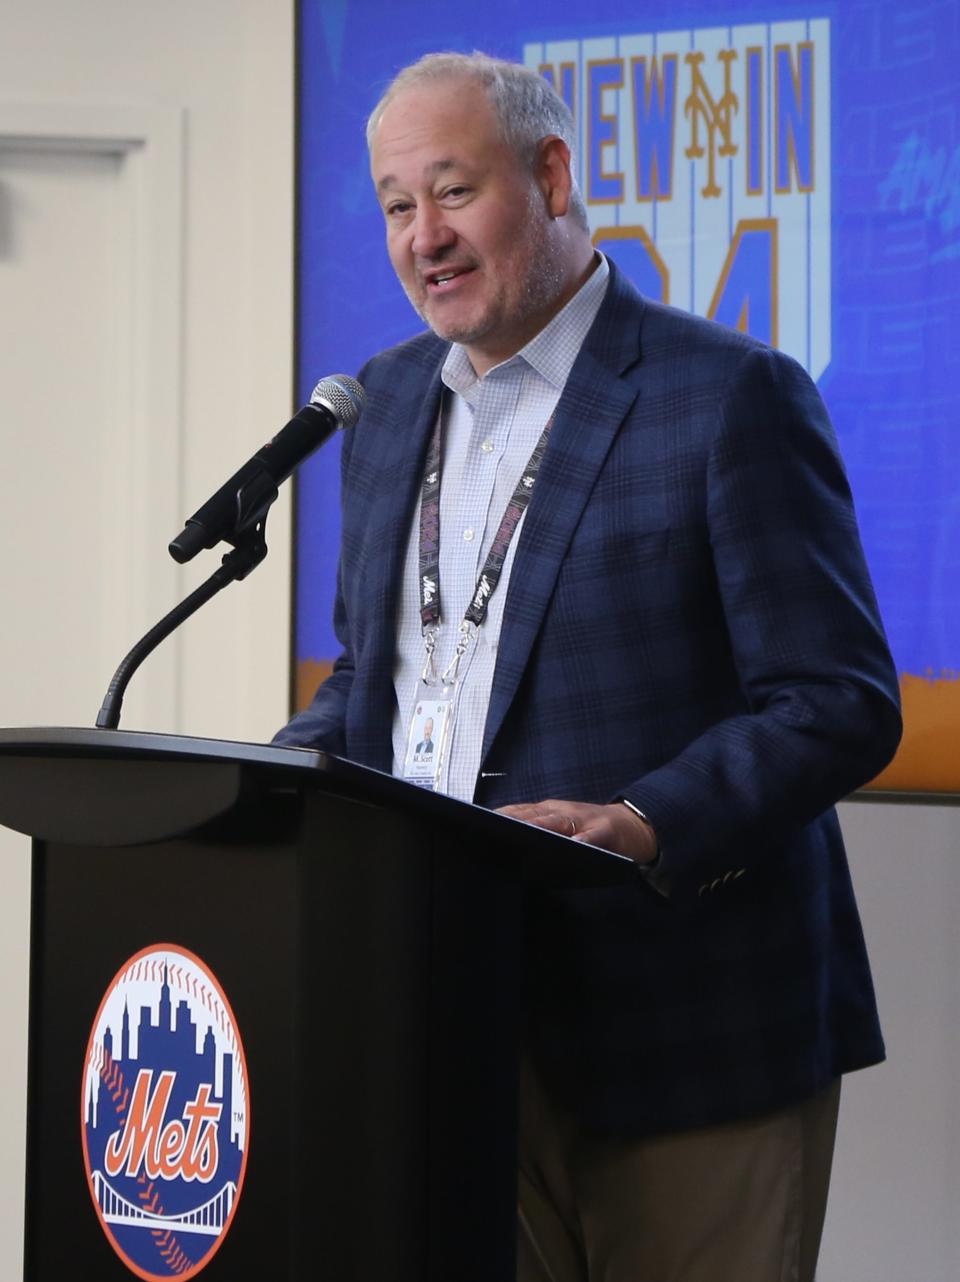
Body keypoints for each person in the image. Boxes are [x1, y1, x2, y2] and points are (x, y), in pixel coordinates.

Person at [274, 51, 902, 1282]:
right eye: (398, 206)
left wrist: (645, 820)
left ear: (553, 175)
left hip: (689, 1034)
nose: (423, 238)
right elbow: (378, 679)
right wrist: (265, 783)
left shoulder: (727, 396)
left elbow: (837, 700)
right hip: (452, 1014)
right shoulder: (389, 404)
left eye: (453, 191)